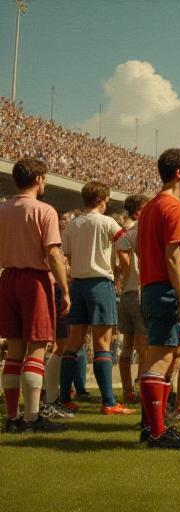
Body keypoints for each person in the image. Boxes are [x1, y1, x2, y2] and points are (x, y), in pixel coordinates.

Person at [136, 148, 180, 449]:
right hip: (167, 289)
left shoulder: (150, 207)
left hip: (152, 287)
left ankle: (152, 426)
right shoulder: (174, 208)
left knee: (163, 357)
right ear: (179, 173)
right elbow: (173, 255)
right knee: (160, 362)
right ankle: (157, 433)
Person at [0, 157, 71, 434]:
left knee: (14, 351)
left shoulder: (2, 209)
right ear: (38, 179)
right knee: (37, 349)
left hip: (8, 278)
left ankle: (12, 418)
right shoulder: (45, 210)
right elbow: (53, 253)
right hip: (34, 280)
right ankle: (32, 417)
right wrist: (64, 289)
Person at [57, 181, 131, 416]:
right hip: (100, 283)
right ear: (101, 199)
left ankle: (65, 398)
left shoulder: (73, 224)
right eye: (107, 200)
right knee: (102, 345)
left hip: (77, 283)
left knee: (73, 343)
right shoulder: (107, 222)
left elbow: (67, 255)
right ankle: (109, 402)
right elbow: (125, 244)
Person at [114, 194, 150, 409]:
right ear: (138, 211)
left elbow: (120, 265)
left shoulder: (123, 233)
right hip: (139, 292)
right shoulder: (141, 231)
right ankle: (142, 388)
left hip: (126, 293)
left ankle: (128, 391)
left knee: (127, 346)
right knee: (144, 347)